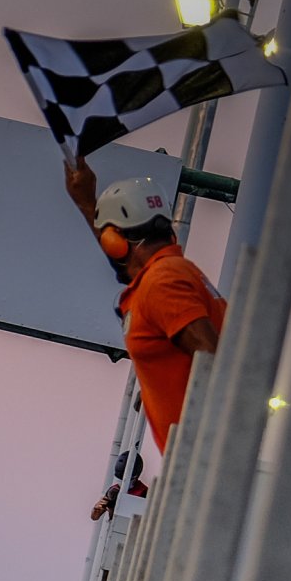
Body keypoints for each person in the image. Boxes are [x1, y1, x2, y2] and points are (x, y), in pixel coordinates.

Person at [65, 158, 227, 452]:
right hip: (208, 453)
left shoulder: (161, 284)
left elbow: (211, 360)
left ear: (114, 240)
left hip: (205, 458)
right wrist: (86, 202)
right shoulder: (174, 271)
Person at [90, 451, 149, 521]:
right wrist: (96, 510)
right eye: (121, 479)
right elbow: (95, 517)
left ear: (135, 476)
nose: (123, 482)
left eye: (127, 479)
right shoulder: (114, 490)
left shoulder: (144, 491)